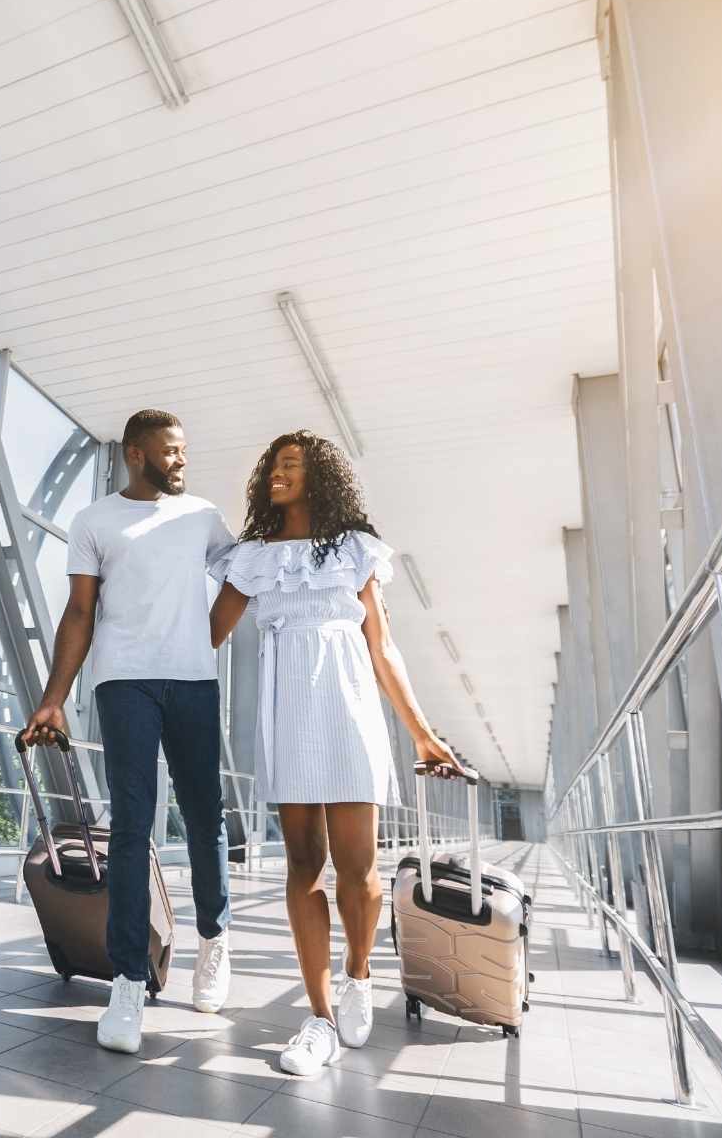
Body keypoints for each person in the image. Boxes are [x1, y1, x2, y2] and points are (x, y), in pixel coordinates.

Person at [208, 430, 466, 1077]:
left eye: (290, 465)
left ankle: (358, 972)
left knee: (359, 870)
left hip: (349, 708)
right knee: (302, 864)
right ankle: (319, 1017)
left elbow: (383, 648)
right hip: (286, 710)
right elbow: (207, 633)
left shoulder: (354, 551)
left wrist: (423, 732)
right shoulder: (255, 557)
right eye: (271, 464)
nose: (275, 473)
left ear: (319, 477)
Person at [20, 408, 236, 1055]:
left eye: (184, 451)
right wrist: (54, 698)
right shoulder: (94, 521)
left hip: (194, 684)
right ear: (137, 453)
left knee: (205, 817)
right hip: (123, 684)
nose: (182, 460)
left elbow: (244, 578)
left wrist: (206, 640)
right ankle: (128, 981)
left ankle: (214, 944)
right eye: (171, 451)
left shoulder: (202, 516)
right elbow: (79, 611)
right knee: (132, 824)